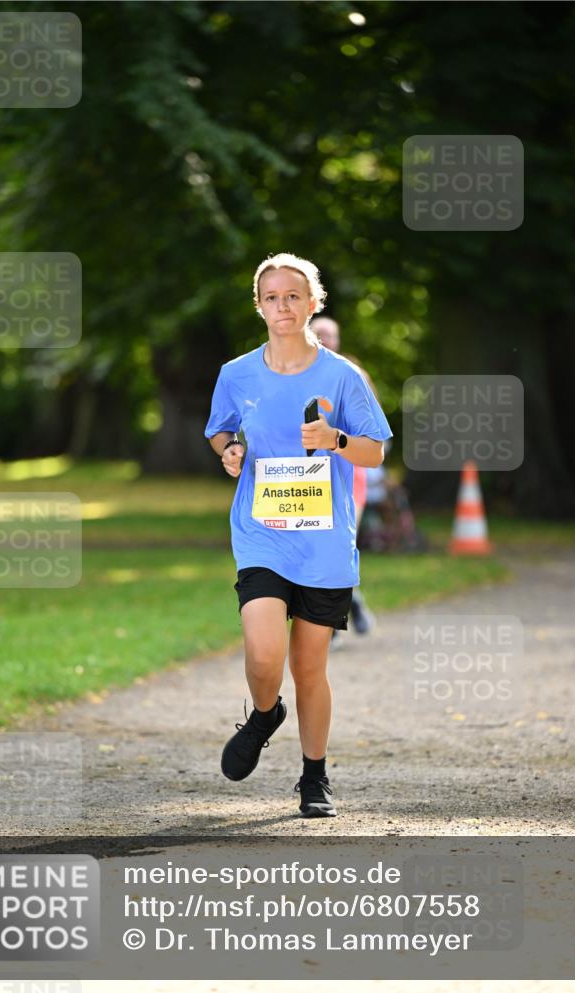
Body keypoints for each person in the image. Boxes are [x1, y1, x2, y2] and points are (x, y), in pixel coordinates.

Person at [204, 252, 393, 818]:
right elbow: (220, 432)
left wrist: (336, 440)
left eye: (293, 296)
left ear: (313, 302)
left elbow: (375, 451)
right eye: (271, 297)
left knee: (310, 668)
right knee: (264, 654)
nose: (282, 306)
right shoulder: (236, 374)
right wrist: (230, 452)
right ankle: (265, 715)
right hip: (261, 532)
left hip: (324, 541)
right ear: (259, 306)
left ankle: (315, 778)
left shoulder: (342, 375)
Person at [310, 314, 377, 641]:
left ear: (337, 340)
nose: (323, 339)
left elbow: (373, 431)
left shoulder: (353, 374)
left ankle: (335, 621)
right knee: (317, 548)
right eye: (318, 333)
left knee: (340, 544)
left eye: (329, 334)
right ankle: (353, 604)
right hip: (309, 476)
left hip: (349, 476)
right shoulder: (293, 374)